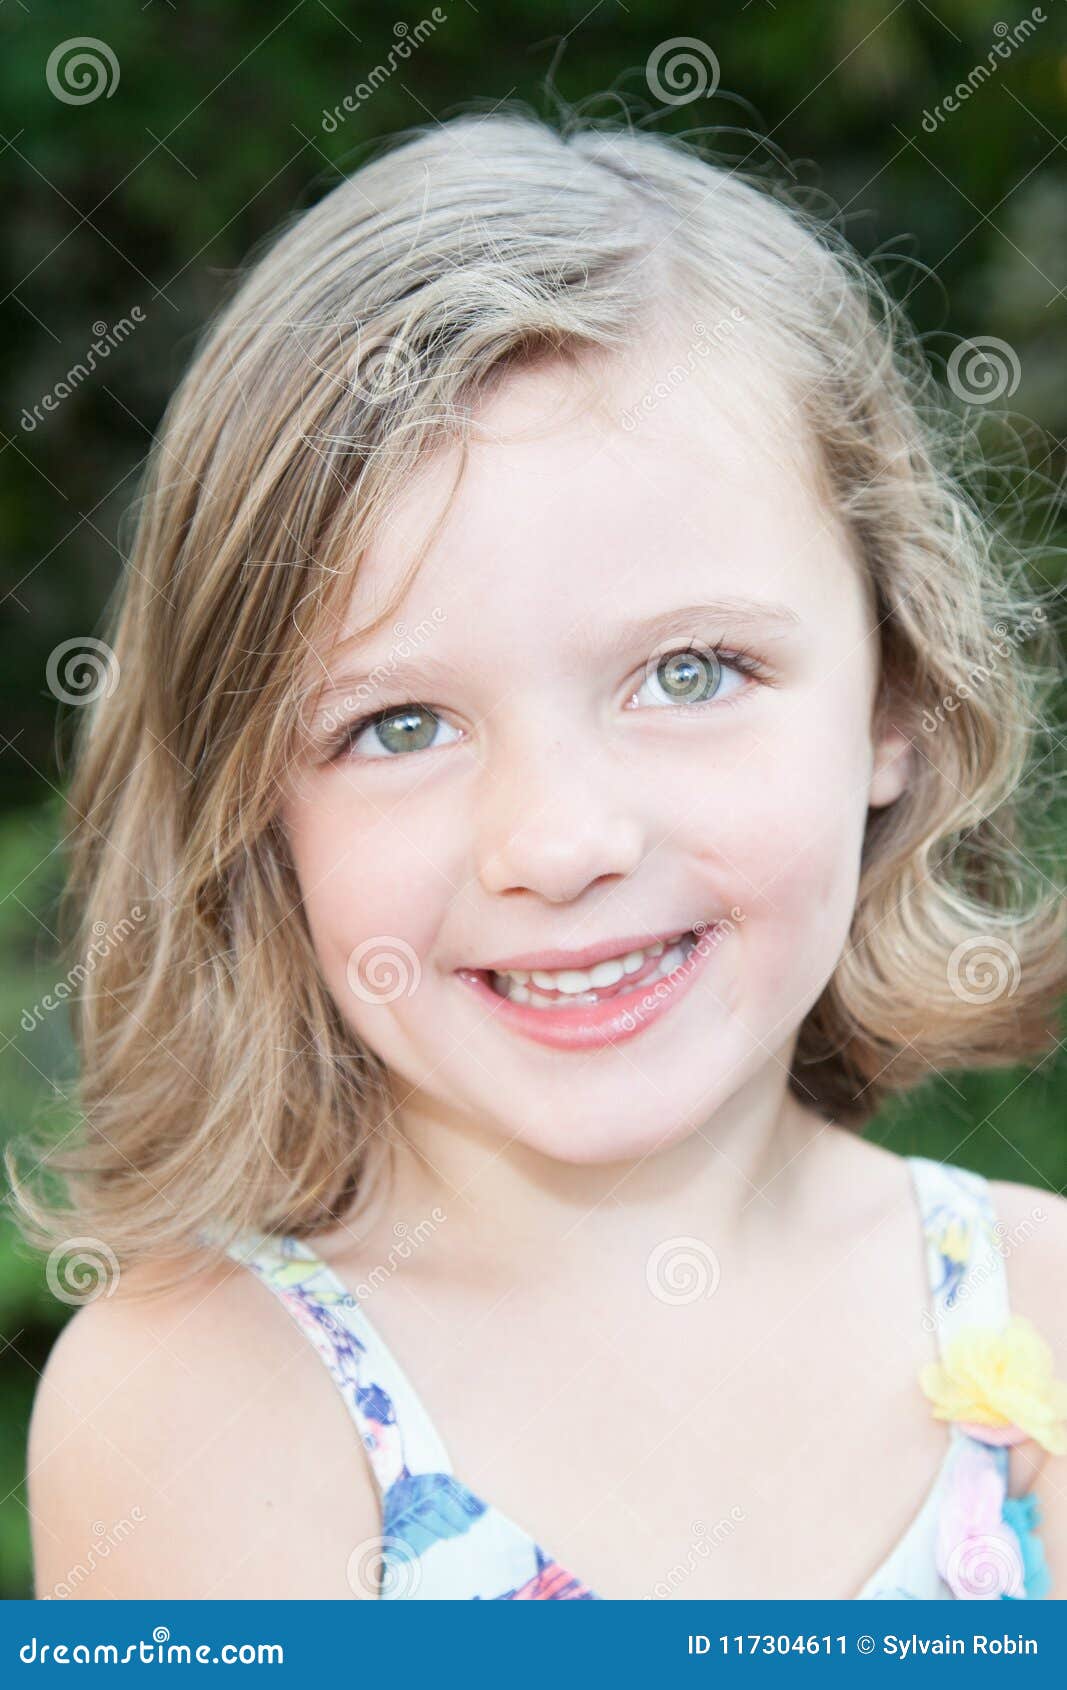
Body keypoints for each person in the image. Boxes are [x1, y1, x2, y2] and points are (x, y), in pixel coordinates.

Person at [15, 106, 1067, 1601]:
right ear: (254, 804)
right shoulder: (207, 1400)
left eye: (691, 673)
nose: (562, 841)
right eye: (397, 725)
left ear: (897, 693)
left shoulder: (1041, 1312)